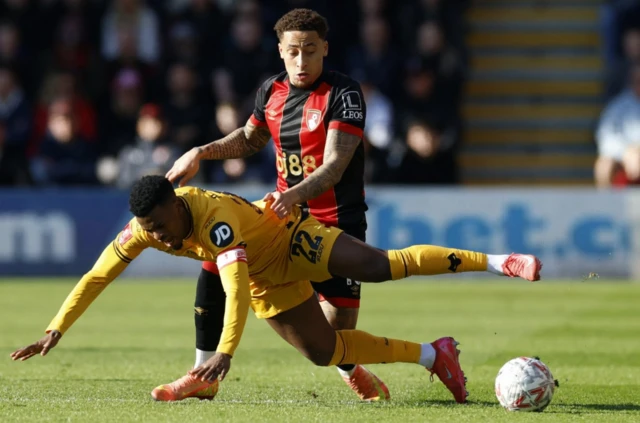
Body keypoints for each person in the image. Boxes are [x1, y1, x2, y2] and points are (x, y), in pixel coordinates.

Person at [11, 176, 543, 405]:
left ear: (176, 204)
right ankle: (434, 355)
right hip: (269, 282)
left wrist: (225, 351)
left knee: (380, 265)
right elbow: (97, 275)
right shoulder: (146, 230)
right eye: (145, 226)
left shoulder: (214, 218)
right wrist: (56, 328)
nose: (155, 235)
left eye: (158, 222)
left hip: (291, 241)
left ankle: (500, 261)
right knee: (325, 353)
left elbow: (234, 283)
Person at [163, 8, 388, 402]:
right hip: (283, 221)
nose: (302, 61)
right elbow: (250, 139)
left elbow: (335, 166)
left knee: (333, 340)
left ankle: (356, 367)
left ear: (325, 50)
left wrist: (294, 193)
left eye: (311, 51)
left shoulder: (345, 93)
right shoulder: (271, 90)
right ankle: (203, 372)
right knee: (219, 255)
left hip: (337, 222)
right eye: (294, 52)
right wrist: (201, 151)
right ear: (281, 51)